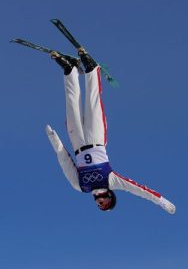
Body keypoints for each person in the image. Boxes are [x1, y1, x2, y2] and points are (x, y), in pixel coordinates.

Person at [44, 48, 176, 214]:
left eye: (100, 206)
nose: (100, 203)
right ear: (110, 197)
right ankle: (92, 69)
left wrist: (53, 139)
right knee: (93, 103)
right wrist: (161, 201)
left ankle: (70, 71)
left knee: (72, 105)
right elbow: (138, 189)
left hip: (77, 142)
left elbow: (65, 161)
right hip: (96, 139)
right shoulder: (111, 181)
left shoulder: (80, 186)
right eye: (105, 203)